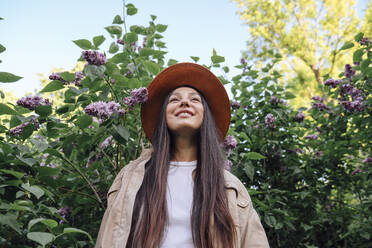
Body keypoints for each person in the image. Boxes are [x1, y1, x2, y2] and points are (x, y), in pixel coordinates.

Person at [95, 63, 269, 248]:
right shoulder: (131, 178)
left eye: (194, 100)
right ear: (164, 116)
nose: (184, 103)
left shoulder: (230, 187)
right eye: (174, 100)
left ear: (205, 116)